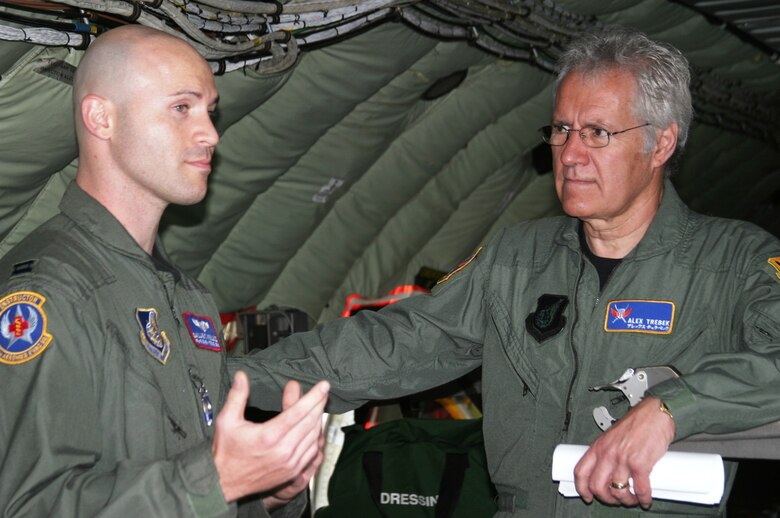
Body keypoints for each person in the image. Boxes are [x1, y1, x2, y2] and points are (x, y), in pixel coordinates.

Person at [232, 27, 780, 516]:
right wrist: (234, 379)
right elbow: (400, 343)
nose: (570, 154)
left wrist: (670, 410)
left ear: (660, 143)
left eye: (597, 133)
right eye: (562, 129)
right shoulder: (518, 257)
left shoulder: (735, 263)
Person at [0, 25, 330, 517]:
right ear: (101, 117)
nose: (211, 134)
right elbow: (28, 506)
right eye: (182, 108)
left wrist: (269, 492)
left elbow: (202, 482)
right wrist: (215, 480)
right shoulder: (50, 293)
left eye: (210, 112)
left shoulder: (187, 297)